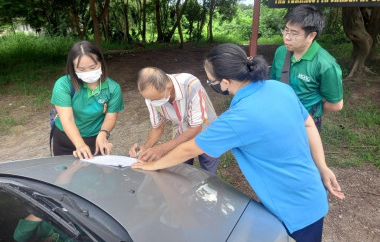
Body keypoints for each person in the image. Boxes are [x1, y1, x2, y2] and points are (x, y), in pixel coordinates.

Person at [132, 44, 345, 242]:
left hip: (291, 208)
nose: (211, 85)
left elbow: (190, 147)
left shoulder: (238, 118)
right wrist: (323, 167)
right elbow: (309, 125)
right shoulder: (280, 89)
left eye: (211, 81)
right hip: (311, 190)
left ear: (225, 82)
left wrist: (152, 165)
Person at [129, 67, 219, 174]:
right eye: (149, 99)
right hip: (181, 132)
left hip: (206, 130)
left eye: (155, 99)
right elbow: (157, 128)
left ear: (169, 87)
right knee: (180, 170)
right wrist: (145, 148)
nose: (151, 102)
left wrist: (163, 149)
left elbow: (196, 129)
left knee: (208, 171)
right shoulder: (150, 96)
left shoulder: (190, 85)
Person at [270, 4, 343, 131]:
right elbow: (273, 82)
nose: (287, 37)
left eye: (294, 33)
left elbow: (336, 105)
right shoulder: (281, 52)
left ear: (311, 36)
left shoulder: (326, 65)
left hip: (305, 124)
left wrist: (312, 111)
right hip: (278, 116)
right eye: (286, 30)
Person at [51, 41, 124, 159]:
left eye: (93, 67)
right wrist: (80, 145)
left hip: (96, 140)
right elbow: (67, 119)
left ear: (101, 63)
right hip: (65, 139)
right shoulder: (63, 85)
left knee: (97, 175)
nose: (88, 72)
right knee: (65, 175)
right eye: (81, 69)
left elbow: (111, 116)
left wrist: (103, 134)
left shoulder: (113, 88)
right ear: (72, 68)